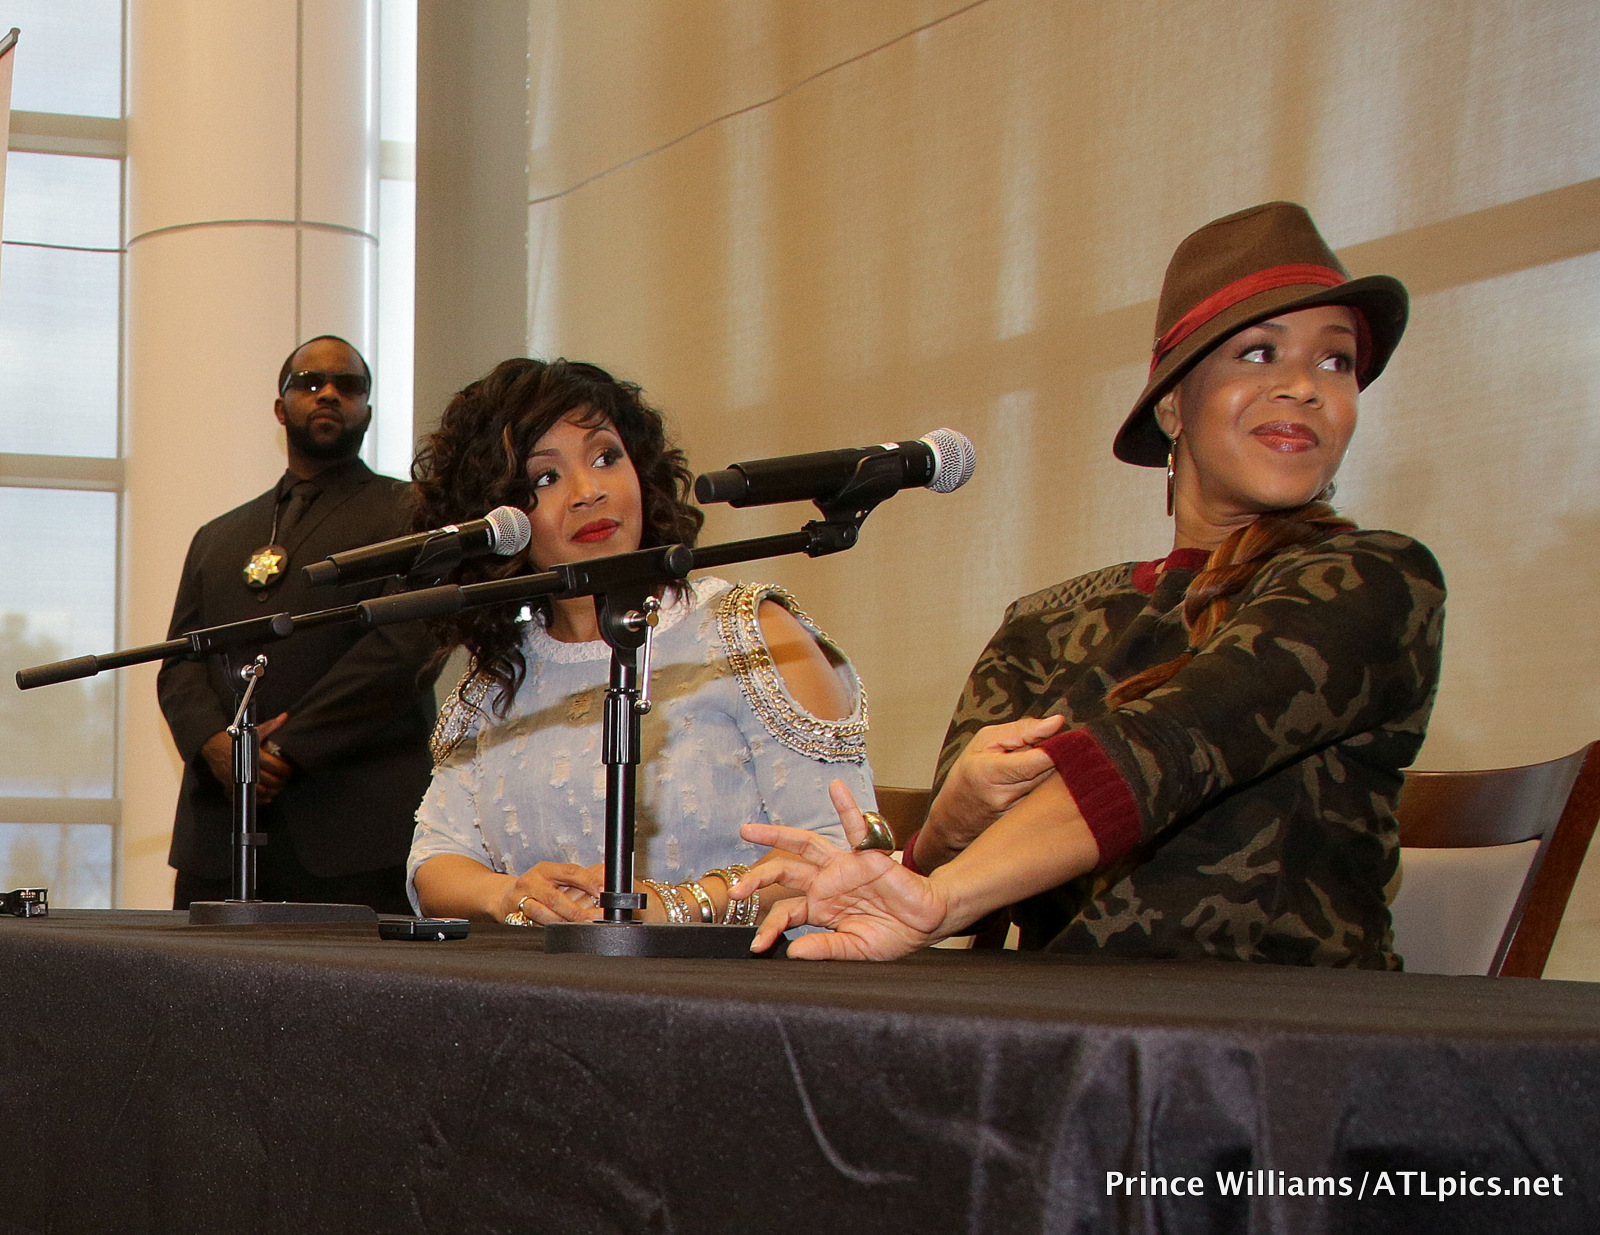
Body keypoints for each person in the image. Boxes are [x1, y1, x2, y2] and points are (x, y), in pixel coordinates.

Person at [735, 202, 1446, 966]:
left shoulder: (1376, 580)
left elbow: (1173, 741)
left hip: (1294, 1026)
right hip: (1065, 1020)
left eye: (1335, 361)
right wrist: (941, 830)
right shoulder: (1044, 623)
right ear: (1173, 404)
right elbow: (941, 886)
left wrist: (938, 897)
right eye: (1259, 352)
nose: (1303, 385)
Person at [406, 357, 875, 926]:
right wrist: (509, 896)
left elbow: (841, 845)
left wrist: (675, 907)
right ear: (495, 521)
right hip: (550, 974)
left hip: (743, 973)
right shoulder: (500, 676)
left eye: (606, 457)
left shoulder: (749, 632)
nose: (588, 492)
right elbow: (435, 862)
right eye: (545, 479)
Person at [158, 335, 438, 913]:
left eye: (348, 385)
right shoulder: (218, 536)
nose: (329, 393)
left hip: (355, 834)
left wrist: (285, 748)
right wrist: (216, 744)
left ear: (367, 410)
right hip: (219, 835)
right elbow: (180, 662)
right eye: (310, 383)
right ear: (280, 408)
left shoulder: (414, 515)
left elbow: (405, 648)